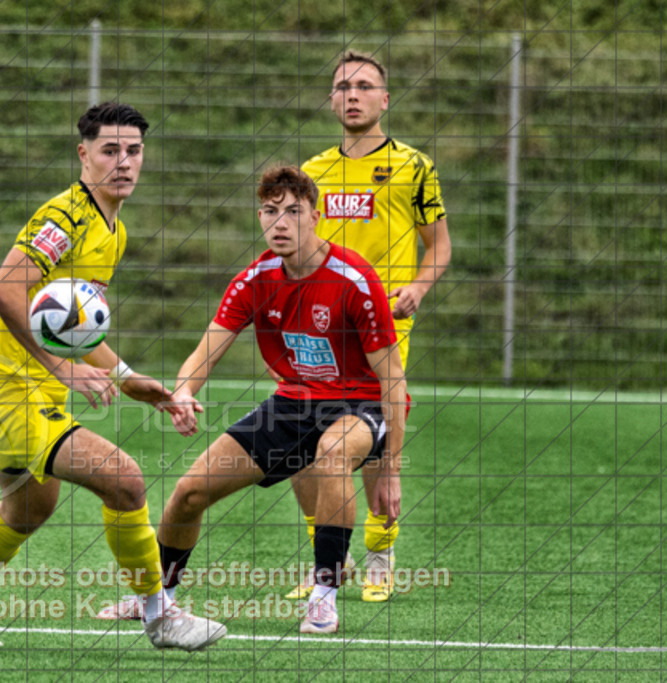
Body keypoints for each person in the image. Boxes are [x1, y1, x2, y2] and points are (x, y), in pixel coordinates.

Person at [0, 102, 226, 652]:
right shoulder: (65, 218)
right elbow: (5, 291)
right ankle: (160, 616)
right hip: (3, 387)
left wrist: (127, 378)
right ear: (84, 154)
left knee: (28, 509)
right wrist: (64, 367)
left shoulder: (113, 229)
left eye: (134, 151)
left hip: (32, 390)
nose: (123, 162)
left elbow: (70, 326)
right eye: (110, 150)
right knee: (124, 480)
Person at [106, 165, 407, 633]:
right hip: (292, 405)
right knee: (188, 494)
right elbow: (205, 352)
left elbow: (393, 382)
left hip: (359, 406)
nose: (280, 223)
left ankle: (324, 596)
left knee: (331, 454)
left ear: (317, 217)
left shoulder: (355, 281)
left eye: (293, 212)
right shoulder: (255, 279)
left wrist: (389, 470)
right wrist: (183, 392)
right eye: (270, 212)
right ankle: (156, 596)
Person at [286, 50, 452, 603]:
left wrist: (418, 287)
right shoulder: (312, 172)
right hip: (319, 326)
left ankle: (381, 552)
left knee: (377, 445)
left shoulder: (414, 167)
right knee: (303, 443)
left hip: (382, 325)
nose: (351, 95)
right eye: (341, 87)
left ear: (385, 98)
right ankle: (328, 560)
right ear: (331, 100)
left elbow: (440, 247)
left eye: (363, 86)